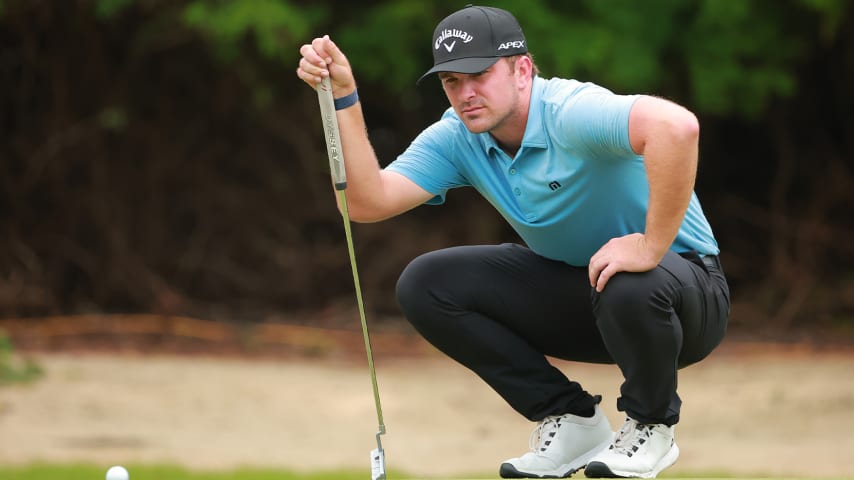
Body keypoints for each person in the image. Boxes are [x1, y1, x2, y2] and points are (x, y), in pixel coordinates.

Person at [297, 5, 729, 479]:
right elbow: (365, 201)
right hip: (592, 297)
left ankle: (651, 424)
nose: (466, 94)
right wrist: (344, 96)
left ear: (522, 69)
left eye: (478, 75)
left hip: (684, 302)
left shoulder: (569, 112)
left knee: (627, 277)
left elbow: (677, 128)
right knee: (426, 283)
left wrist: (649, 245)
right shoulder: (458, 137)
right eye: (452, 82)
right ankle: (571, 418)